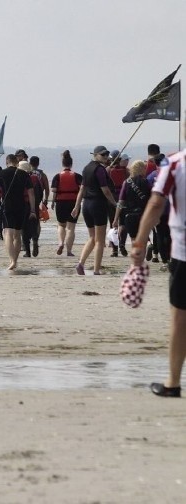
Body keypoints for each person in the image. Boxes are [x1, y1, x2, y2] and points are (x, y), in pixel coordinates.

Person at [129, 145, 186, 398]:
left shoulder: (175, 164)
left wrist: (140, 241)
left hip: (184, 250)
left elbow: (155, 203)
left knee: (180, 317)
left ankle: (173, 381)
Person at [71, 146, 118, 275]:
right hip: (98, 205)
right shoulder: (100, 170)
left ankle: (81, 263)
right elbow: (106, 190)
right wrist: (115, 203)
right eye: (103, 155)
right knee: (100, 240)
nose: (106, 157)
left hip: (87, 205)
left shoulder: (87, 168)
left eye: (107, 155)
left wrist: (77, 206)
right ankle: (96, 270)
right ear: (96, 155)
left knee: (92, 237)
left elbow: (82, 189)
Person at [0, 153, 35, 271]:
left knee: (8, 233)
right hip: (21, 206)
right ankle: (15, 260)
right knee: (17, 234)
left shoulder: (1, 173)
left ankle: (12, 260)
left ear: (6, 162)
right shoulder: (24, 174)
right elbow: (31, 193)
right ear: (17, 162)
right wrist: (33, 209)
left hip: (8, 206)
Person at [112, 159, 150, 252]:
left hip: (130, 215)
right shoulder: (146, 182)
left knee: (133, 239)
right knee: (144, 238)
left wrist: (116, 218)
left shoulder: (126, 182)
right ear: (142, 169)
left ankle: (137, 260)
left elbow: (121, 202)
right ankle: (145, 251)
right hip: (144, 215)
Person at [50, 150, 82, 256]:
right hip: (73, 202)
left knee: (61, 225)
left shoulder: (57, 176)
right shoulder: (77, 176)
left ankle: (60, 243)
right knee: (71, 228)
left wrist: (53, 202)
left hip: (60, 203)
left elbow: (54, 191)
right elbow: (82, 190)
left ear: (62, 163)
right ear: (71, 164)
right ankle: (69, 251)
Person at [18, 161, 43, 257]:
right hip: (34, 204)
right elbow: (40, 192)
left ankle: (27, 252)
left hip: (23, 204)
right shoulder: (35, 178)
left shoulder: (19, 178)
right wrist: (37, 202)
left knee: (24, 228)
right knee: (34, 224)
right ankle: (35, 240)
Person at [107, 151, 129, 257]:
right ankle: (122, 244)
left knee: (113, 224)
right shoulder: (127, 172)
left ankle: (114, 249)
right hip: (124, 199)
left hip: (112, 200)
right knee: (123, 223)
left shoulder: (108, 170)